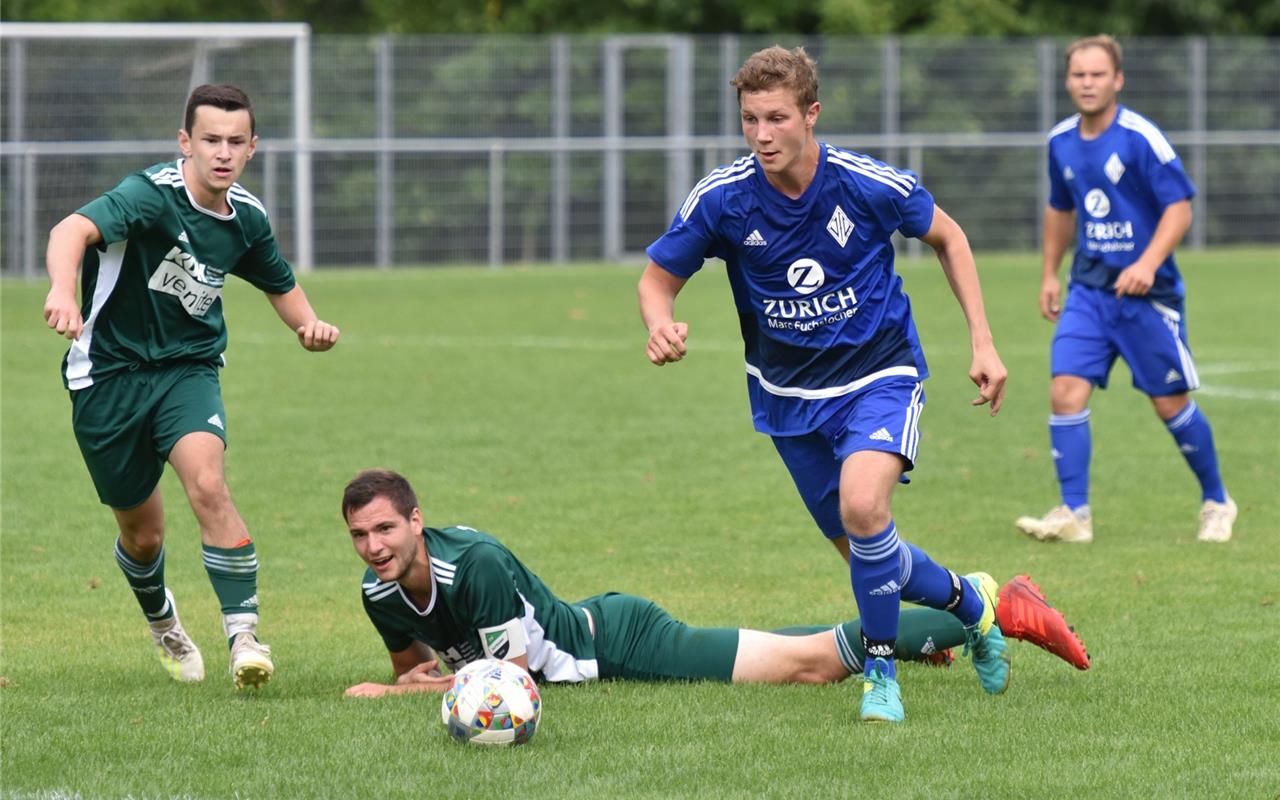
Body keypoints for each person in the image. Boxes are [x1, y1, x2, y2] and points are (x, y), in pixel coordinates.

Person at [636, 46, 1010, 723]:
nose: (762, 135)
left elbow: (949, 238)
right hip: (789, 401)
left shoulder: (865, 183)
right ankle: (971, 601)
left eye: (777, 118)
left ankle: (881, 675)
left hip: (880, 376)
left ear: (811, 114)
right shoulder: (723, 199)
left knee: (864, 509)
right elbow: (657, 279)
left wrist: (983, 342)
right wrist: (660, 322)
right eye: (749, 120)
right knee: (870, 552)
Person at [42, 84, 340, 689]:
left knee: (208, 481)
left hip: (188, 369)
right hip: (106, 377)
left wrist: (307, 324)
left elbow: (279, 282)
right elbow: (69, 230)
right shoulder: (149, 197)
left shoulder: (246, 218)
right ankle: (163, 622)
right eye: (210, 140)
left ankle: (245, 637)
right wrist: (60, 291)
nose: (222, 152)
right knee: (143, 534)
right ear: (187, 142)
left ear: (252, 147)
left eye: (235, 141)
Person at [340, 470, 1088, 700]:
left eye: (385, 529)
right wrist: (408, 686)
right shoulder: (378, 594)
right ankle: (932, 632)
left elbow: (513, 680)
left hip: (621, 643)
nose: (374, 548)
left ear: (416, 521)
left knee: (811, 665)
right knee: (790, 645)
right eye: (360, 537)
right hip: (604, 640)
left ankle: (988, 603)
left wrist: (400, 696)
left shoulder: (475, 565)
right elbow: (421, 671)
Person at [1015, 35, 1236, 545]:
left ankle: (1217, 501)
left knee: (1170, 404)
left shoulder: (1141, 138)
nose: (1087, 83)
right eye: (1079, 75)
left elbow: (1180, 208)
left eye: (1097, 75)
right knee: (1065, 390)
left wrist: (1147, 263)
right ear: (1068, 80)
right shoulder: (1060, 141)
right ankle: (1075, 514)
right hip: (1089, 292)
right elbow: (1060, 209)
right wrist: (1050, 272)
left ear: (1118, 80)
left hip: (1146, 297)